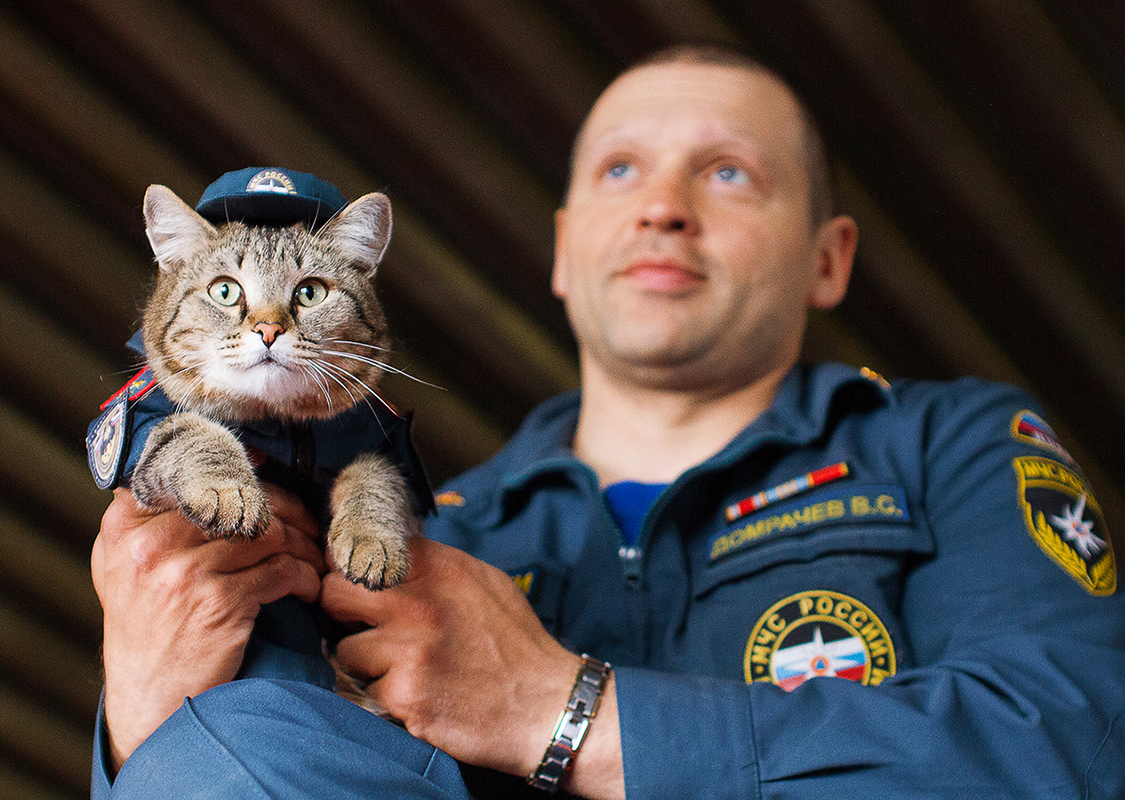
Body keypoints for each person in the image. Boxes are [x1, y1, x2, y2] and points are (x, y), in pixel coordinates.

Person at [91, 45, 1125, 799]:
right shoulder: (440, 525)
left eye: (730, 171)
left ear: (829, 256)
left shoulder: (956, 444)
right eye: (620, 170)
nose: (663, 205)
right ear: (562, 246)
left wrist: (567, 710)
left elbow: (1079, 743)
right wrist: (146, 726)